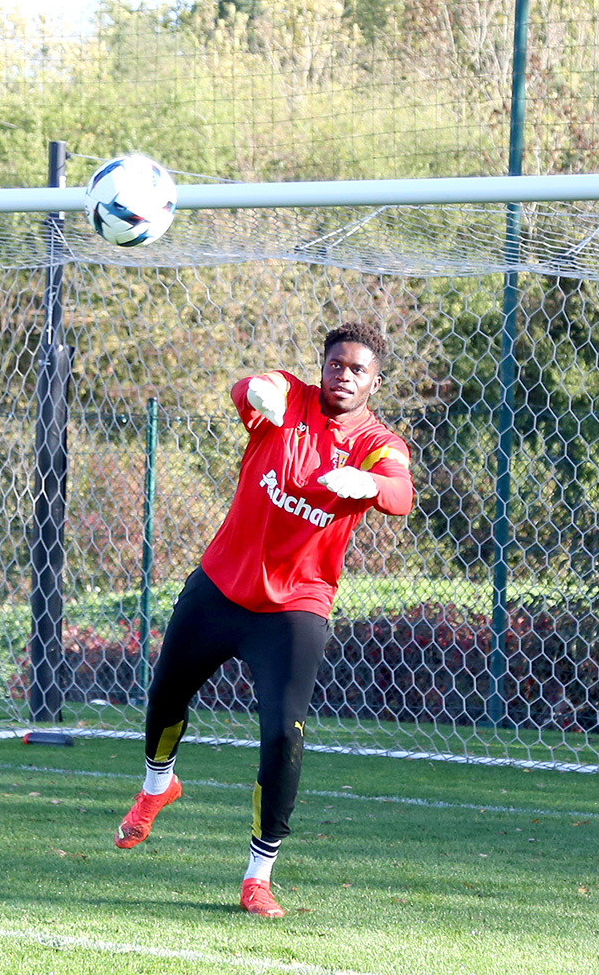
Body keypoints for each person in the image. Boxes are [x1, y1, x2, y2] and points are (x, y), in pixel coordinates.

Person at [114, 321, 414, 917]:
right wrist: (258, 394)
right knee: (167, 690)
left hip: (294, 608)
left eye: (357, 369)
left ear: (374, 381)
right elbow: (248, 387)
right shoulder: (291, 398)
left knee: (282, 735)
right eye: (336, 364)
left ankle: (258, 877)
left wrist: (370, 484)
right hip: (221, 587)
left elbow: (402, 491)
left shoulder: (377, 442)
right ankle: (156, 789)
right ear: (322, 366)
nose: (344, 375)